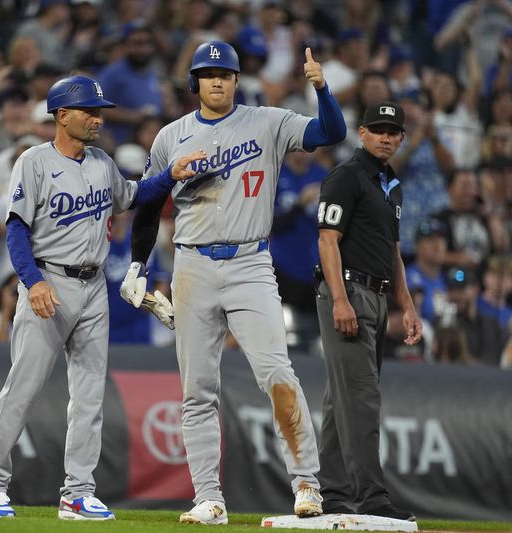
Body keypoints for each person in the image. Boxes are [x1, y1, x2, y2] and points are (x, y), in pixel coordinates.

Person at [120, 41, 347, 525]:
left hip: (250, 263)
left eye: (226, 74)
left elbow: (332, 130)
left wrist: (322, 88)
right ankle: (208, 497)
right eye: (208, 74)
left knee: (278, 374)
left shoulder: (268, 121)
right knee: (197, 389)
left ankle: (306, 483)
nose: (218, 81)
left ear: (237, 81)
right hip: (192, 266)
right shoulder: (170, 137)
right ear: (195, 83)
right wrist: (139, 264)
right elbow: (146, 206)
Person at [0, 75, 204, 521]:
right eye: (89, 111)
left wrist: (169, 176)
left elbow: (131, 196)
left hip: (95, 287)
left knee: (90, 396)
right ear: (61, 115)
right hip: (49, 283)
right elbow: (15, 228)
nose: (98, 118)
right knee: (23, 388)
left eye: (99, 111)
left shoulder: (100, 161)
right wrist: (32, 281)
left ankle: (77, 492)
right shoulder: (34, 162)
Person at [314, 100, 421, 521]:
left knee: (342, 399)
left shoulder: (391, 185)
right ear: (361, 133)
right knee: (361, 397)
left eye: (393, 132)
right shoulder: (347, 176)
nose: (386, 137)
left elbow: (392, 251)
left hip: (376, 294)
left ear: (401, 138)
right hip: (350, 291)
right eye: (378, 129)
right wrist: (340, 298)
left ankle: (332, 493)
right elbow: (327, 240)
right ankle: (372, 499)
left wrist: (406, 303)